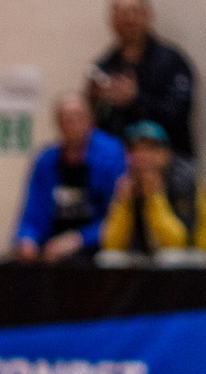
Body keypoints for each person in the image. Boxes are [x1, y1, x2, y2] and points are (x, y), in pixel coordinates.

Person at [98, 121, 206, 264]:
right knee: (108, 258)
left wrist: (155, 197)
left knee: (170, 258)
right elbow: (110, 244)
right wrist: (124, 203)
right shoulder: (129, 182)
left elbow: (178, 242)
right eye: (135, 150)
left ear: (166, 153)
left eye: (151, 149)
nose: (143, 156)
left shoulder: (185, 181)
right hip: (159, 258)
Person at [12, 93, 126, 262]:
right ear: (58, 123)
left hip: (95, 247)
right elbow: (32, 212)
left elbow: (117, 218)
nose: (71, 123)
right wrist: (27, 238)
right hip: (52, 246)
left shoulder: (111, 155)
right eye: (65, 118)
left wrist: (80, 238)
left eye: (77, 116)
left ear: (90, 120)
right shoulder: (46, 160)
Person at [88, 0, 197, 159]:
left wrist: (136, 99)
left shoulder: (172, 61)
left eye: (135, 12)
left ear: (148, 16)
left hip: (169, 160)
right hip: (119, 161)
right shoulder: (103, 66)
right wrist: (93, 102)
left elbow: (180, 115)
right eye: (122, 14)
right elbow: (94, 126)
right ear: (112, 19)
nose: (129, 20)